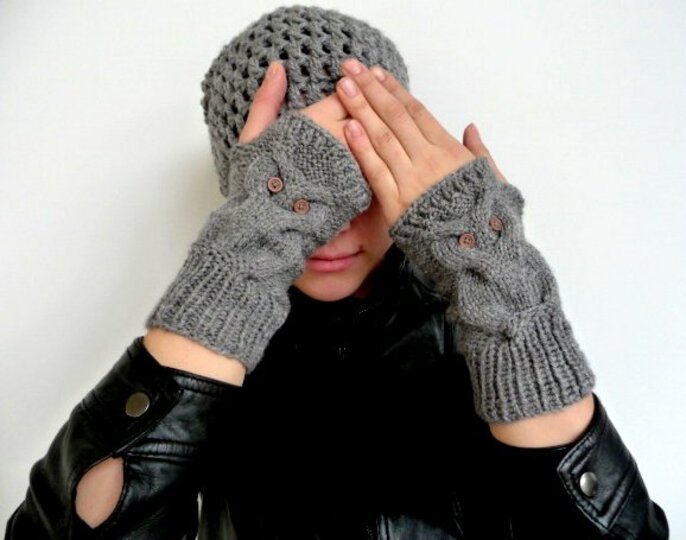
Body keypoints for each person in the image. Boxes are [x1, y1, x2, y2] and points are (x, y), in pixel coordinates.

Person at [4, 5, 669, 539]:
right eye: (296, 192)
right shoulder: (215, 353)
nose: (332, 226)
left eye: (358, 176)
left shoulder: (474, 327)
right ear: (245, 192)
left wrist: (504, 286)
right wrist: (238, 265)